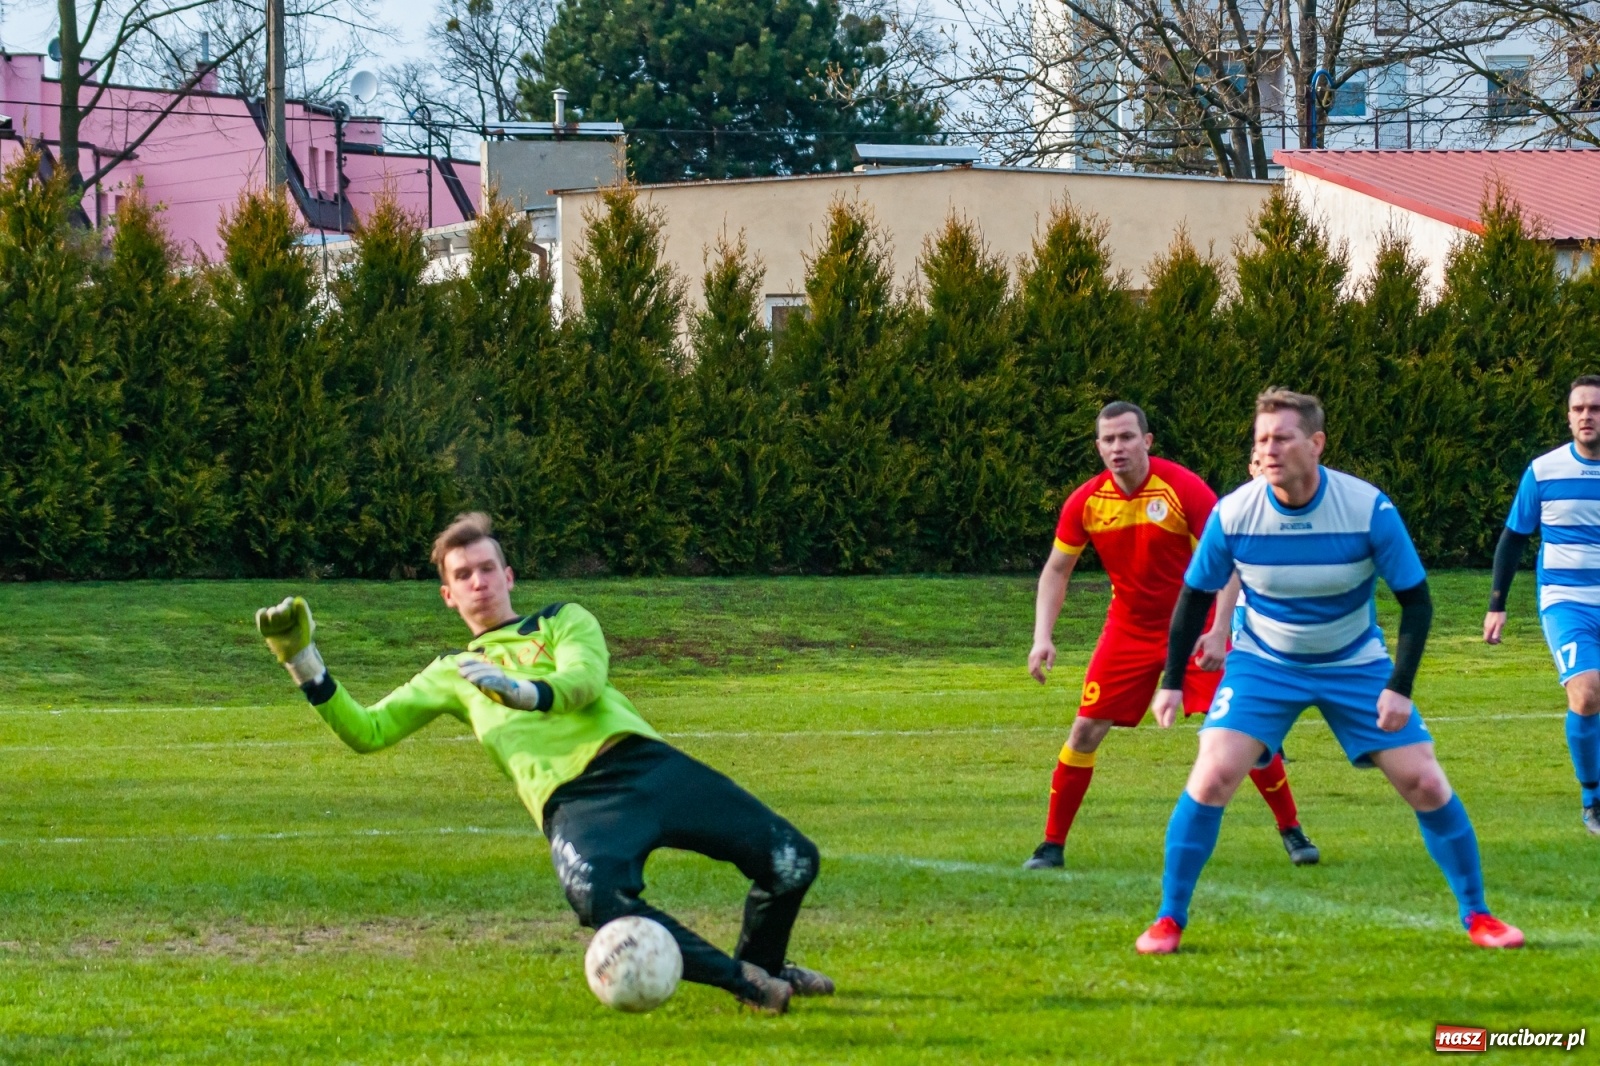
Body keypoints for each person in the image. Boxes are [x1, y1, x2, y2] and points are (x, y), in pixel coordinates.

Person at [254, 512, 833, 1013]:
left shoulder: (562, 620)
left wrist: (524, 692)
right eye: (463, 575)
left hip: (647, 767)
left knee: (792, 862)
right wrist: (303, 662)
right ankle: (746, 983)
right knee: (596, 897)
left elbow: (584, 679)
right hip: (575, 803)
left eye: (487, 568)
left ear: (508, 577)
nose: (478, 581)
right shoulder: (450, 673)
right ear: (448, 595)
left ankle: (766, 964)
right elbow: (368, 731)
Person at [1135, 389, 1523, 954]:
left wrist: (1399, 688)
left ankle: (1479, 916)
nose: (1269, 449)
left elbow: (1416, 601)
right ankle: (1168, 920)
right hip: (1264, 664)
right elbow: (1195, 596)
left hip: (1354, 663)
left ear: (1316, 443)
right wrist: (1172, 681)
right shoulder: (1235, 513)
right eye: (1262, 439)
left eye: (1282, 438)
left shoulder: (1367, 508)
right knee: (1213, 774)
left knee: (1425, 781)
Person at [1024, 401, 1317, 871]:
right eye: (1108, 439)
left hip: (1195, 627)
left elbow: (1227, 562)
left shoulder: (1183, 488)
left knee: (1244, 732)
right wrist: (1043, 636)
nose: (1118, 447)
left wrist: (1218, 630)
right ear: (1098, 447)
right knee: (1084, 730)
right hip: (1128, 630)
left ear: (1147, 441)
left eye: (1126, 437)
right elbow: (1057, 570)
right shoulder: (1087, 501)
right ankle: (1051, 845)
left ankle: (1292, 829)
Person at [1484, 375, 1600, 836]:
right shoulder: (1544, 471)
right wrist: (1497, 604)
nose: (1587, 416)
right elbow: (1514, 538)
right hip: (1566, 602)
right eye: (1579, 409)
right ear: (1568, 417)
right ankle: (1592, 800)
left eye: (1595, 408)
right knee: (1586, 693)